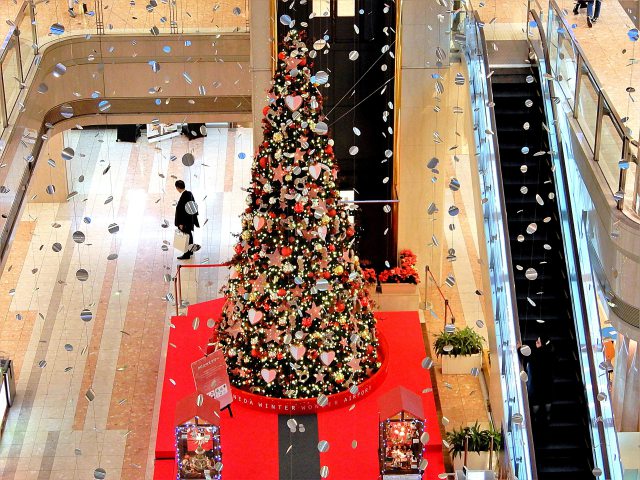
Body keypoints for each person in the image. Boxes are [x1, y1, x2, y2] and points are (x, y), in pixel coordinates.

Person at [520, 335, 554, 425]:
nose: (536, 342)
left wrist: (519, 347)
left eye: (538, 342)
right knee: (547, 399)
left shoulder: (535, 353)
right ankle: (548, 417)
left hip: (536, 381)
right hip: (547, 381)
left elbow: (525, 356)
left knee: (536, 401)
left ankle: (535, 418)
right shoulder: (550, 353)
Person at [174, 180, 200, 260]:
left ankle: (187, 254)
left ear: (178, 188)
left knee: (186, 237)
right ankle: (190, 250)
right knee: (189, 235)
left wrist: (181, 223)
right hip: (190, 220)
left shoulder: (184, 196)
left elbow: (182, 212)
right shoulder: (189, 194)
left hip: (185, 222)